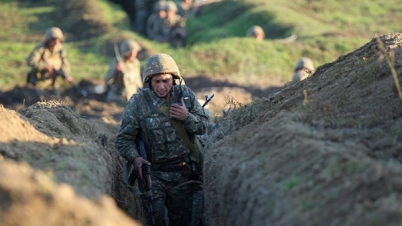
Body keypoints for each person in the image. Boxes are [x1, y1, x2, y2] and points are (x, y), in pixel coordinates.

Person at [115, 53, 208, 226]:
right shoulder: (138, 102)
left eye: (166, 81)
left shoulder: (185, 96)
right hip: (153, 174)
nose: (161, 86)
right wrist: (135, 159)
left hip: (183, 173)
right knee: (154, 220)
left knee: (181, 221)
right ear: (148, 81)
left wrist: (187, 117)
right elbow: (123, 139)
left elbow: (203, 127)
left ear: (174, 79)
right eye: (156, 81)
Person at [104, 39, 143, 103]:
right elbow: (107, 80)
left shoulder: (136, 63)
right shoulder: (116, 63)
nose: (132, 54)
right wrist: (115, 71)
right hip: (117, 99)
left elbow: (138, 81)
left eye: (134, 52)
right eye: (130, 52)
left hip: (131, 99)